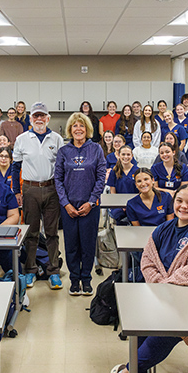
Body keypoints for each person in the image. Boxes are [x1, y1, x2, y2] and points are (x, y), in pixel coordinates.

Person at [108, 183, 188, 373]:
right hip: (163, 296)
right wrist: (160, 289)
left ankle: (128, 372)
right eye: (179, 201)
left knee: (164, 330)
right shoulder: (164, 228)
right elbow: (148, 260)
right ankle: (137, 370)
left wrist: (162, 289)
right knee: (141, 323)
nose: (184, 206)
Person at [12, 102, 65, 289]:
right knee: (31, 233)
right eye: (36, 116)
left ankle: (53, 271)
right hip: (30, 189)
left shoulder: (57, 139)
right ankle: (31, 270)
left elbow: (62, 168)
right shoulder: (22, 139)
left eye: (43, 116)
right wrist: (17, 192)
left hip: (51, 190)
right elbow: (15, 166)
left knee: (52, 233)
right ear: (30, 118)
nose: (39, 119)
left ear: (48, 118)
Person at [55, 112, 106, 295]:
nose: (78, 129)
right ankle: (74, 280)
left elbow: (101, 178)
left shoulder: (96, 150)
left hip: (90, 207)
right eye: (75, 126)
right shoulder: (64, 152)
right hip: (68, 207)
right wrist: (66, 204)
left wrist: (91, 201)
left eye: (81, 126)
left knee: (88, 244)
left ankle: (86, 279)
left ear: (87, 130)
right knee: (71, 245)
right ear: (70, 129)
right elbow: (58, 180)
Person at [108, 145, 139, 223]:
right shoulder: (114, 171)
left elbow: (140, 192)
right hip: (118, 205)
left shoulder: (137, 171)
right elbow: (113, 192)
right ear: (118, 155)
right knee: (118, 215)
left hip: (134, 203)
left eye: (128, 154)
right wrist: (121, 206)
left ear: (132, 156)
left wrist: (129, 206)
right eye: (123, 154)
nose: (126, 157)